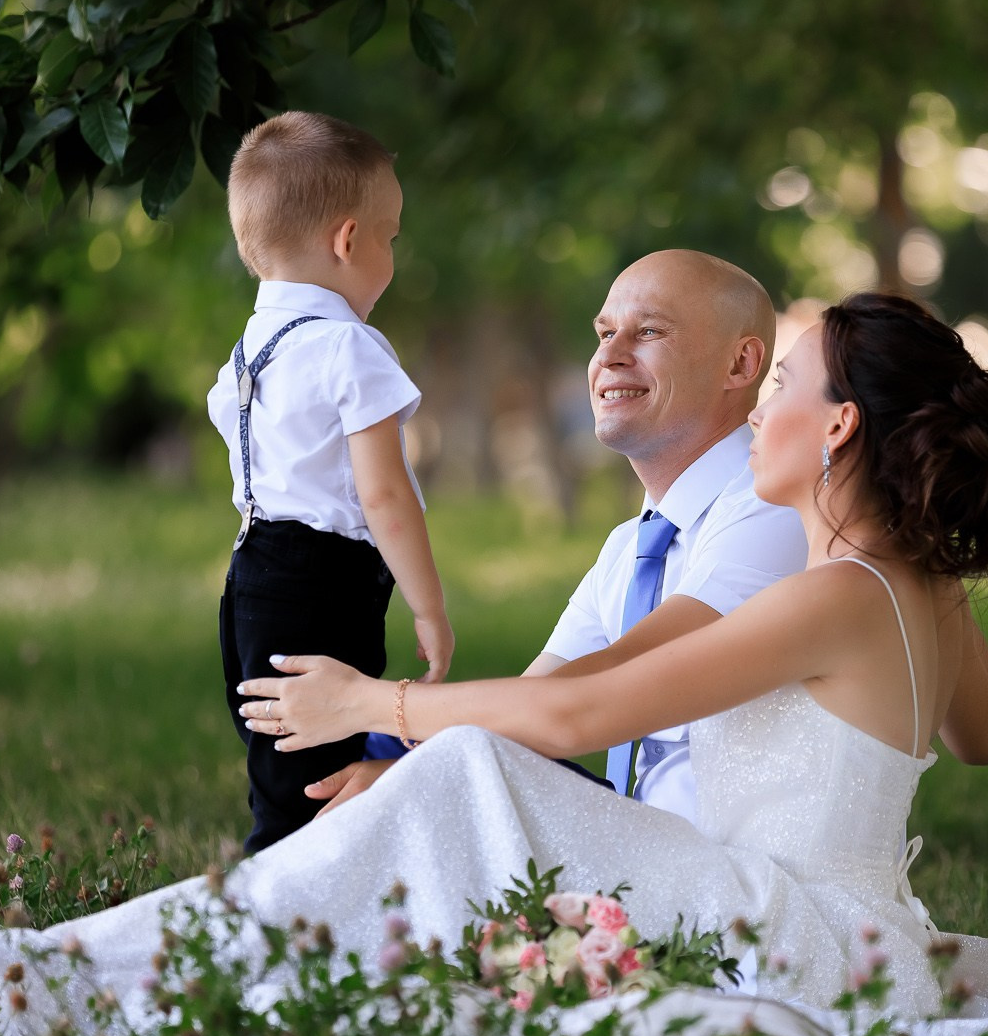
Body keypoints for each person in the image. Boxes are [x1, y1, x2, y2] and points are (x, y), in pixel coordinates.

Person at [0, 293, 988, 1036]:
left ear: (832, 428)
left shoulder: (837, 593)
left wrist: (377, 704)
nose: (752, 410)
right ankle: (83, 968)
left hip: (801, 937)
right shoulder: (913, 588)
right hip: (852, 927)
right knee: (461, 793)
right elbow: (985, 738)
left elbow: (574, 719)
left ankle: (29, 980)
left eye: (777, 390)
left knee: (471, 770)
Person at [303, 249, 808, 826]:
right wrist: (409, 765)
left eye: (648, 332)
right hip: (639, 841)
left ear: (741, 365)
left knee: (405, 755)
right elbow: (530, 703)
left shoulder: (772, 509)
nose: (609, 358)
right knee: (378, 758)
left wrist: (373, 705)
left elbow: (593, 692)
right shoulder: (630, 546)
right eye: (603, 333)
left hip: (722, 866)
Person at [207, 112, 452, 854]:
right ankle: (293, 911)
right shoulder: (348, 346)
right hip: (323, 584)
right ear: (349, 240)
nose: (391, 255)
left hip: (252, 580)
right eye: (392, 236)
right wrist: (429, 605)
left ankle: (291, 887)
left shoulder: (250, 353)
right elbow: (384, 495)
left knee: (280, 764)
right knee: (324, 775)